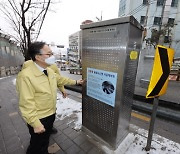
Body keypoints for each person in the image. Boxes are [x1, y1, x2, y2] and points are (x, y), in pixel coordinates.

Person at [16, 41, 83, 154]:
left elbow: (61, 79)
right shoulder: (25, 76)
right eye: (49, 54)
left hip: (50, 113)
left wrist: (76, 81)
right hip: (39, 117)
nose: (53, 56)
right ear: (38, 57)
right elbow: (26, 103)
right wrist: (35, 124)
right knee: (36, 144)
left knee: (45, 141)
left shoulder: (49, 70)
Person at [20, 60, 67, 134]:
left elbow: (59, 79)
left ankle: (50, 127)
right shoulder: (27, 64)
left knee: (51, 115)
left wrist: (62, 89)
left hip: (49, 98)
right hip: (37, 98)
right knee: (37, 132)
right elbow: (24, 82)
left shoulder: (53, 66)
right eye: (47, 53)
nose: (50, 56)